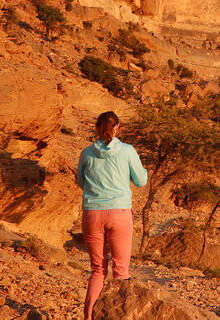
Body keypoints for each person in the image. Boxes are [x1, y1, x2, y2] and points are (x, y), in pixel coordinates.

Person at [75, 111, 148, 320]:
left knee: (97, 270)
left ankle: (89, 317)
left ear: (97, 128)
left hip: (92, 213)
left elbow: (81, 181)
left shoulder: (87, 153)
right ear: (117, 127)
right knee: (121, 271)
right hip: (119, 213)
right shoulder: (127, 151)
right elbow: (141, 181)